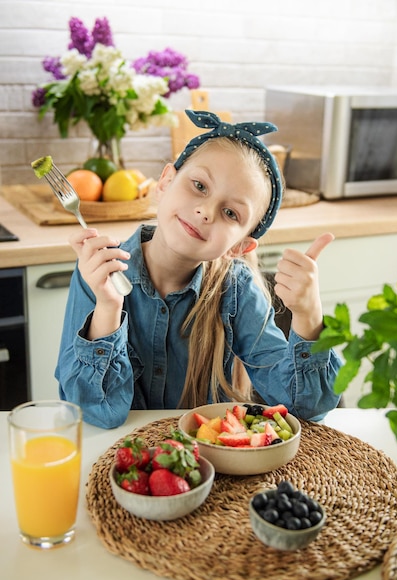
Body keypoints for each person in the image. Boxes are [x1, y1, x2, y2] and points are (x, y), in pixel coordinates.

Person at [56, 110, 342, 428]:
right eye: (199, 186)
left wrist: (309, 317)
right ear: (165, 182)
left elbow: (307, 409)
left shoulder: (236, 289)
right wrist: (108, 310)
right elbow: (96, 414)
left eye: (231, 213)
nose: (206, 211)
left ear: (240, 247)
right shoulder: (98, 274)